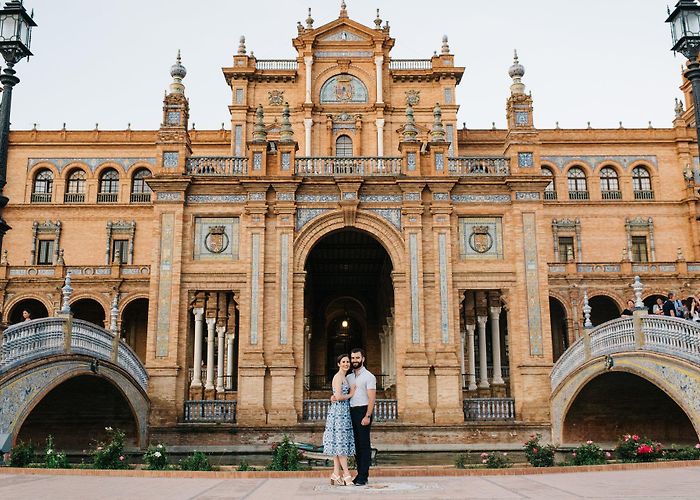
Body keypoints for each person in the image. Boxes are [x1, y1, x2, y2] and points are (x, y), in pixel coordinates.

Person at [322, 353, 356, 486]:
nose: (346, 364)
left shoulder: (345, 377)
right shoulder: (338, 377)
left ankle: (336, 473)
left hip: (344, 412)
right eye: (343, 362)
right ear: (338, 364)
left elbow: (336, 396)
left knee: (338, 443)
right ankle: (346, 474)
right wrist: (351, 394)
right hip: (339, 413)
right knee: (340, 443)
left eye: (348, 362)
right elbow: (338, 396)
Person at [345, 347, 376, 486]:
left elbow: (372, 398)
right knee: (356, 445)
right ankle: (359, 473)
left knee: (364, 444)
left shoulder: (369, 376)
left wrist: (367, 415)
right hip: (352, 411)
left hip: (364, 411)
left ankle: (364, 476)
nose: (354, 360)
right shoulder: (349, 377)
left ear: (363, 359)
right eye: (353, 358)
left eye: (357, 358)